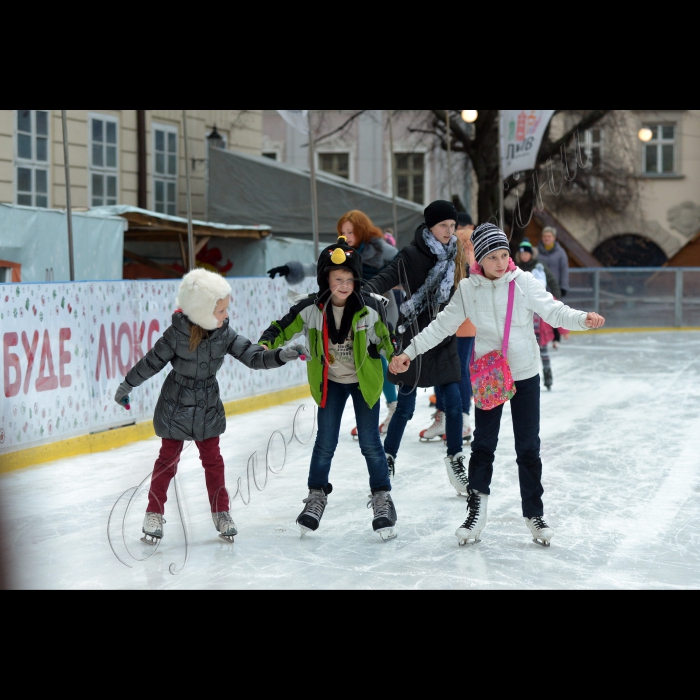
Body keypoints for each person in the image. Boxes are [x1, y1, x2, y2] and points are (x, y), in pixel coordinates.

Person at [390, 223, 606, 547]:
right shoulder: (468, 289)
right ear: (479, 257)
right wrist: (408, 351)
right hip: (490, 374)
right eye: (493, 256)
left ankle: (534, 513)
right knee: (482, 446)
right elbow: (440, 327)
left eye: (504, 254)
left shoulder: (523, 283)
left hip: (525, 373)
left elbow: (553, 311)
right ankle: (476, 510)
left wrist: (582, 319)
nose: (501, 262)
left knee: (528, 446)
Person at [113, 269, 305, 545]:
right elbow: (151, 362)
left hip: (207, 405)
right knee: (167, 461)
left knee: (213, 461)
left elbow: (252, 356)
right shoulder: (176, 334)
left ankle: (221, 512)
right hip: (175, 404)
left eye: (226, 309)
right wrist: (126, 385)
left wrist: (281, 355)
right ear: (202, 311)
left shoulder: (224, 333)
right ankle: (153, 513)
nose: (226, 315)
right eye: (221, 310)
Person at [259, 236, 398, 541]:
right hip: (330, 383)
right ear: (326, 279)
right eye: (338, 279)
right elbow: (283, 327)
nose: (344, 285)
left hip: (365, 384)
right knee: (325, 441)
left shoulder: (371, 307)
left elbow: (387, 339)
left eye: (350, 279)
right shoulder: (312, 308)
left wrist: (397, 356)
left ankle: (382, 498)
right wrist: (266, 344)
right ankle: (316, 495)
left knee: (371, 443)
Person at [363, 200, 467, 493]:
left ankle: (456, 459)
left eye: (451, 225)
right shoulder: (410, 255)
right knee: (406, 406)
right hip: (414, 338)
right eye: (443, 225)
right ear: (430, 226)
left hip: (444, 337)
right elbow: (384, 277)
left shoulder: (456, 254)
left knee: (454, 404)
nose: (449, 231)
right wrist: (358, 294)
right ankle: (387, 458)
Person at [268, 211, 400, 436]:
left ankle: (391, 408)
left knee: (378, 358)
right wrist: (291, 269)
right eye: (343, 232)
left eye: (351, 231)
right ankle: (379, 412)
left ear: (362, 230)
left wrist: (390, 281)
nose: (347, 236)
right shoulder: (339, 253)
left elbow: (401, 261)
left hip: (378, 309)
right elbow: (317, 266)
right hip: (345, 308)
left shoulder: (378, 247)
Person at [420, 211, 475, 445]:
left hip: (464, 322)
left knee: (459, 368)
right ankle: (443, 416)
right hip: (442, 320)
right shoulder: (441, 257)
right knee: (438, 366)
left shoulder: (471, 259)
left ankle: (462, 419)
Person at [515, 239, 561, 390]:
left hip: (538, 312)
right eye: (521, 254)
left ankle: (548, 376)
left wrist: (555, 297)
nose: (524, 257)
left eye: (526, 254)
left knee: (542, 348)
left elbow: (552, 280)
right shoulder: (515, 268)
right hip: (521, 312)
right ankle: (522, 380)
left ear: (530, 254)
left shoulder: (538, 266)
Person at [537, 226, 570, 347]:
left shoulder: (560, 253)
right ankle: (542, 337)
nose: (546, 239)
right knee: (542, 314)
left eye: (549, 237)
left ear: (554, 238)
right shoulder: (537, 252)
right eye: (545, 237)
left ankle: (556, 339)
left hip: (555, 287)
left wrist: (563, 287)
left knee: (555, 312)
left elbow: (564, 271)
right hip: (542, 287)